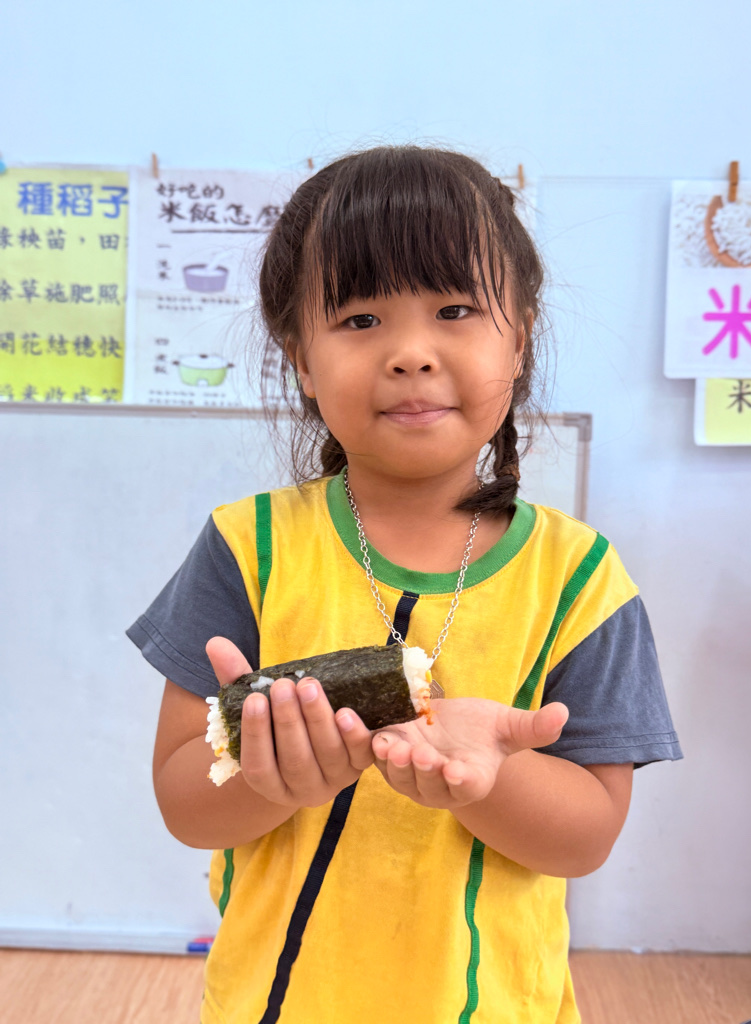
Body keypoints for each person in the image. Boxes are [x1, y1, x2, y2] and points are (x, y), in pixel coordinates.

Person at [128, 145, 682, 1024]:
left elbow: (587, 837)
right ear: (301, 361)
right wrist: (271, 775)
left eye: (454, 310)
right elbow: (183, 803)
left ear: (519, 337)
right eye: (360, 319)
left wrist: (488, 775)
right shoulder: (247, 548)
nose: (411, 354)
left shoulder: (580, 578)